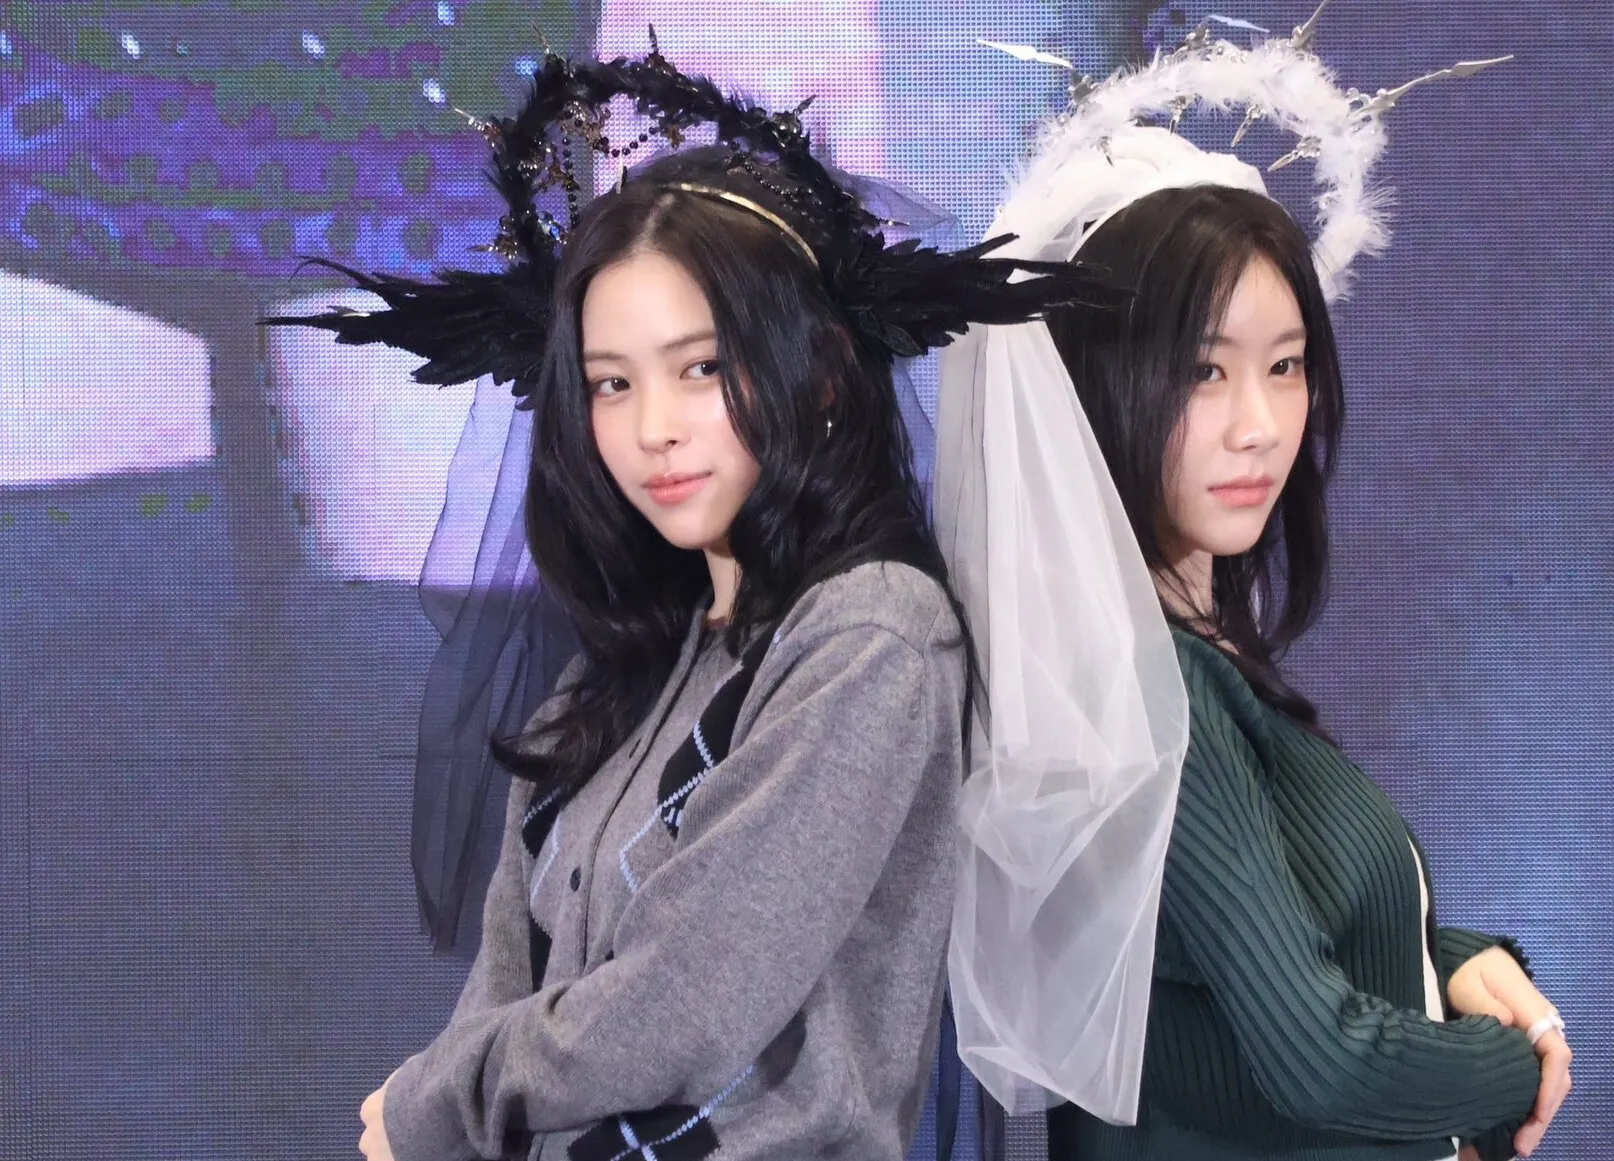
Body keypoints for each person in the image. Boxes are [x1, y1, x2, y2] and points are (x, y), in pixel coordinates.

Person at [272, 46, 1100, 1161]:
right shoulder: (617, 667)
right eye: (612, 383)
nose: (652, 427)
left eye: (701, 367)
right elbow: (507, 981)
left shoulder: (872, 637)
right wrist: (450, 1113)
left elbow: (688, 1003)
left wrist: (438, 1101)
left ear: (820, 372)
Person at [933, 27, 1572, 1161]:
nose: (1260, 425)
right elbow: (1320, 1058)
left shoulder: (1173, 654)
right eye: (1203, 371)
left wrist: (1455, 956)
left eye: (1285, 366)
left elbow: (1258, 939)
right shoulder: (1144, 686)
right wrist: (1517, 1065)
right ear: (1098, 385)